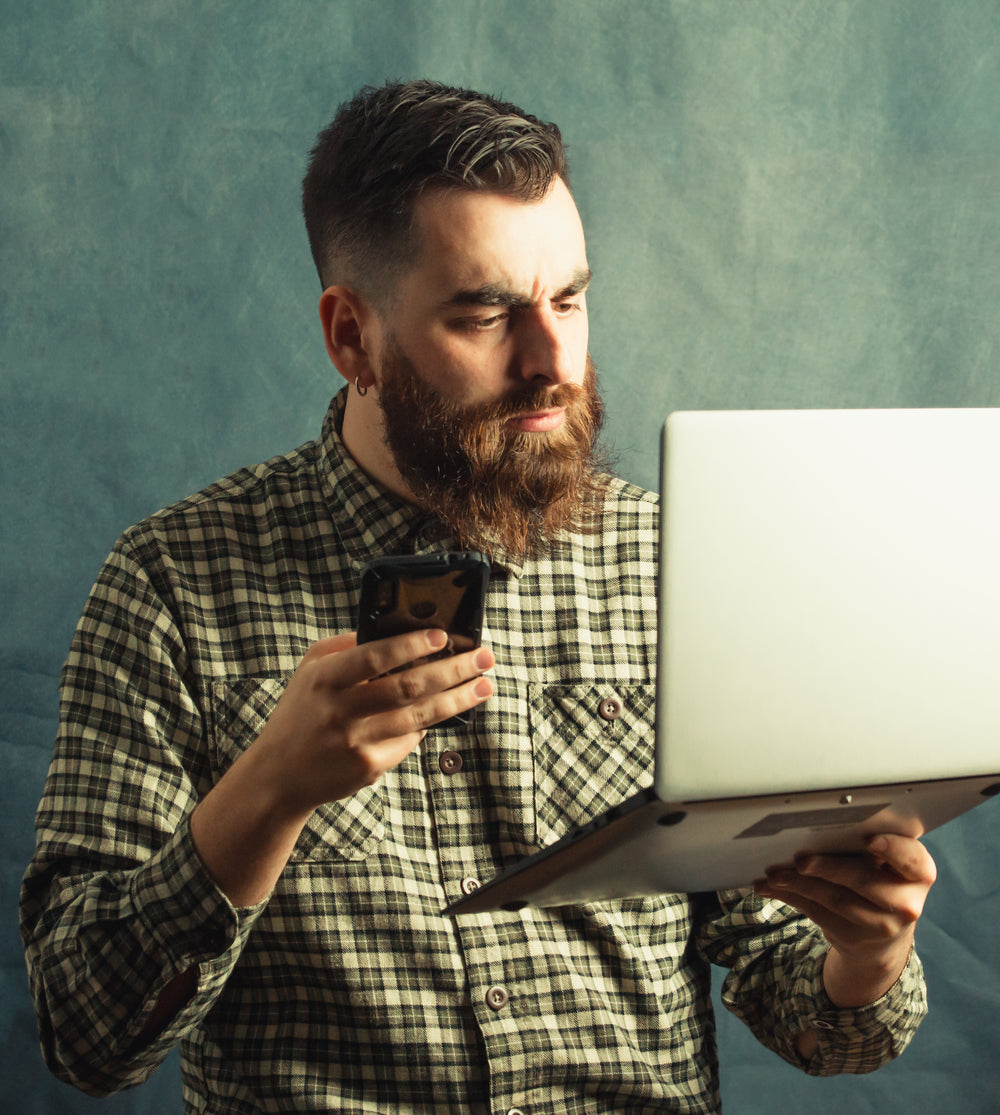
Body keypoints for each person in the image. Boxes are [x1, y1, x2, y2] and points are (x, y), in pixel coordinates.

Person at [21, 80, 935, 1114]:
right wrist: (265, 791)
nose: (550, 362)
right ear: (351, 337)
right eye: (486, 311)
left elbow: (802, 1000)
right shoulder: (172, 586)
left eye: (569, 299)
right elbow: (85, 1034)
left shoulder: (676, 560)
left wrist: (864, 947)